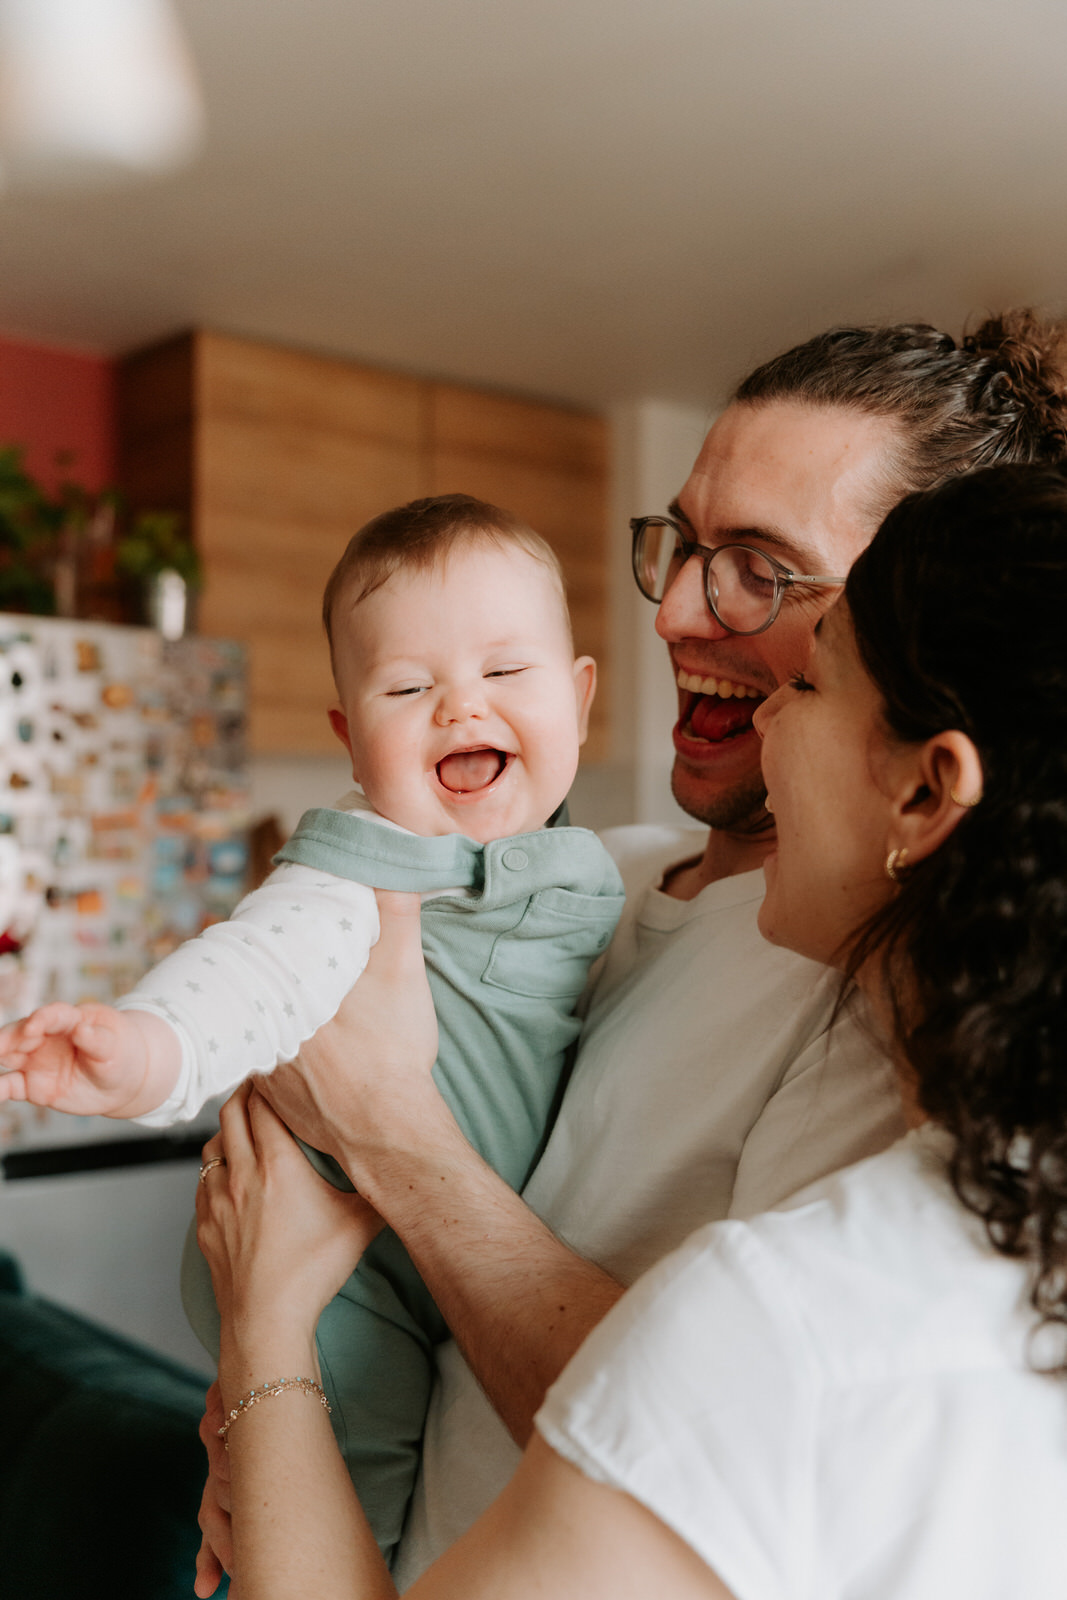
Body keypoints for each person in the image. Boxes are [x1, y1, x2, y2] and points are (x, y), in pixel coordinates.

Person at [190, 309, 1067, 1590]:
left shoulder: (892, 1014)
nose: (673, 611)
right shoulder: (585, 876)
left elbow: (721, 1433)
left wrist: (384, 1137)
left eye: (761, 569)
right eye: (682, 545)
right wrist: (268, 1417)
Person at [0, 493, 624, 1560]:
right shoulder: (360, 872)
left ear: (578, 697)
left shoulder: (606, 873)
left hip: (473, 1262)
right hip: (347, 1258)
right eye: (408, 685)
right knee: (357, 1486)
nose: (459, 705)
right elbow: (247, 970)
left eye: (505, 673)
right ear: (348, 733)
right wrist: (142, 1051)